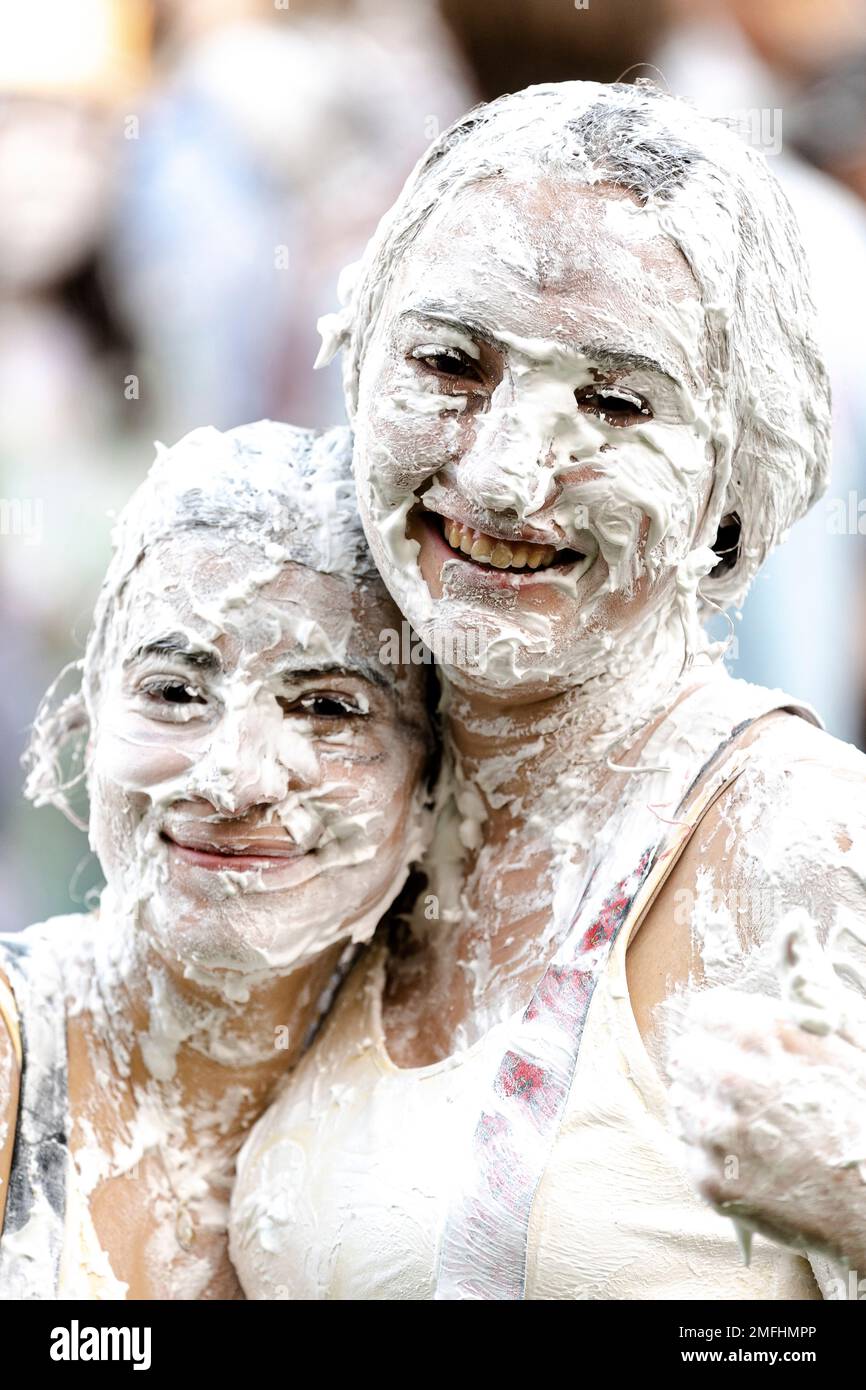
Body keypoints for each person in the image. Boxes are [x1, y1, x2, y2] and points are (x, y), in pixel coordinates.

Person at [231, 81, 866, 1301]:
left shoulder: (805, 849)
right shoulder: (321, 814)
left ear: (735, 470)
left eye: (616, 401)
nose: (508, 475)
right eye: (449, 364)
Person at [0, 420, 432, 1299]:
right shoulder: (14, 1055)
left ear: (432, 783)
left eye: (327, 707)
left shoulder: (483, 1094)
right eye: (174, 691)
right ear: (93, 722)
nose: (234, 779)